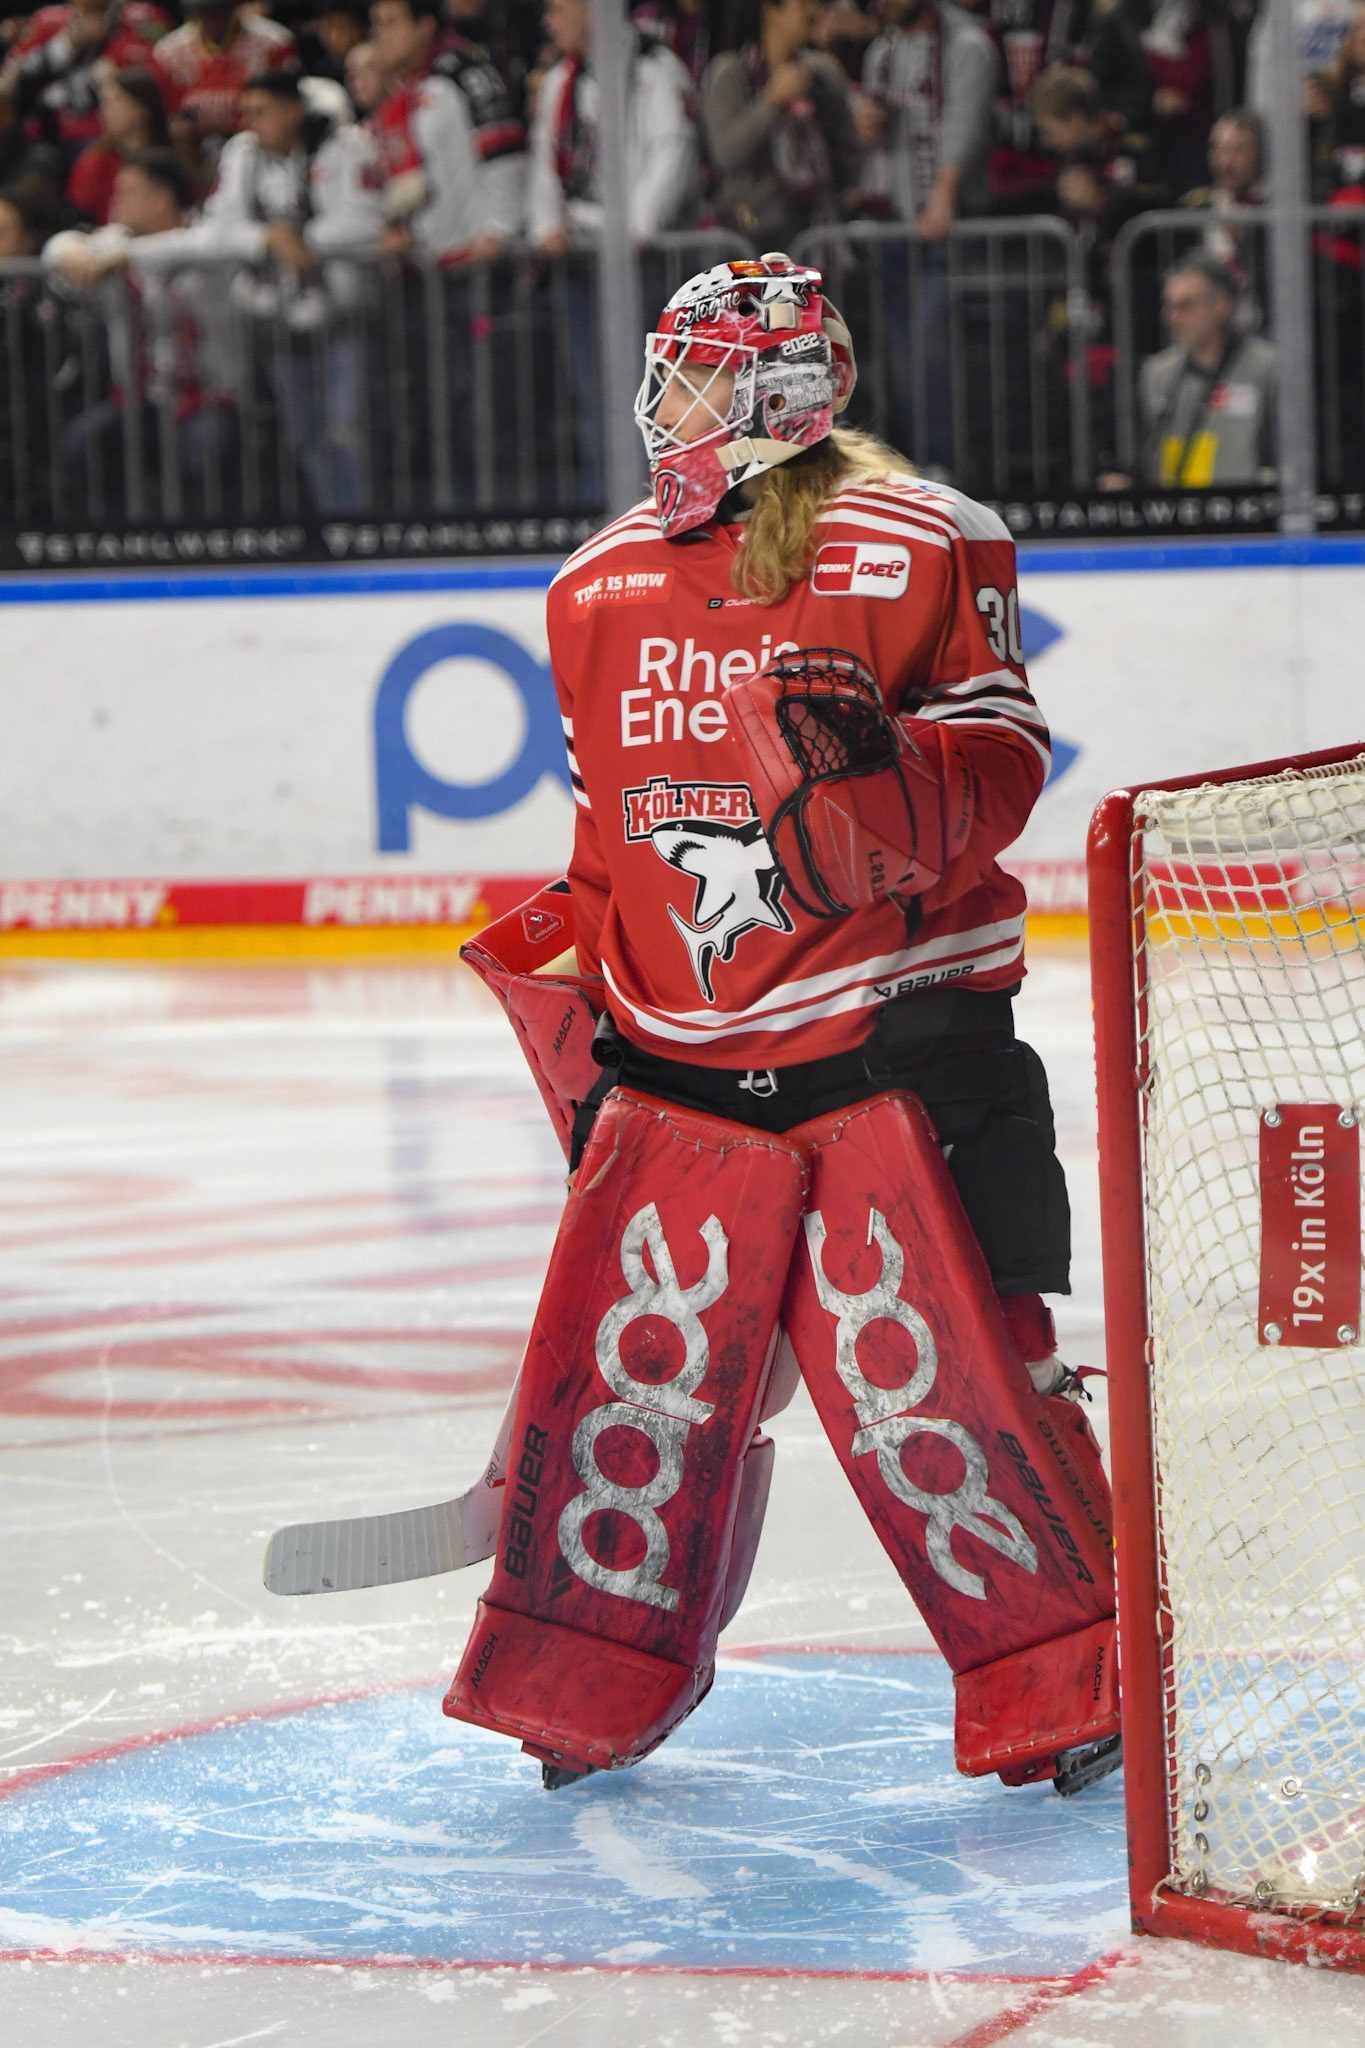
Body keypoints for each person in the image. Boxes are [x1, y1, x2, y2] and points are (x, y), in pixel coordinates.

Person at [443, 252, 1121, 1803]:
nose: (663, 408)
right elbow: (606, 842)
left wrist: (891, 781)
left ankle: (1071, 1676)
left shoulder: (923, 541)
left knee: (960, 1379)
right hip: (676, 1065)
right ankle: (587, 1676)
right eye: (667, 373)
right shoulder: (592, 585)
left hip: (900, 1043)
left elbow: (1000, 771)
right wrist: (591, 1025)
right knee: (642, 1389)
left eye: (695, 378)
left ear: (781, 397)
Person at [45, 146, 242, 514]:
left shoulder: (204, 239)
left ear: (160, 200)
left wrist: (128, 257)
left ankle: (199, 540)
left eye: (127, 192)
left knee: (206, 447)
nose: (116, 201)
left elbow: (205, 244)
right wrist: (70, 251)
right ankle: (121, 537)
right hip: (141, 400)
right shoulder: (117, 242)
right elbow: (56, 248)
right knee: (82, 442)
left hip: (208, 397)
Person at [856, 0, 997, 472]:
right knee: (900, 361)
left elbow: (964, 124)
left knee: (933, 353)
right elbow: (877, 137)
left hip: (950, 228)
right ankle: (916, 468)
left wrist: (944, 195)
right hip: (896, 230)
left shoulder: (966, 44)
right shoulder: (882, 51)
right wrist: (868, 124)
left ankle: (947, 467)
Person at [527, 0, 699, 251]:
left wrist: (640, 224)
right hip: (578, 249)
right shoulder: (558, 81)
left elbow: (673, 152)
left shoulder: (656, 68)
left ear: (590, 14)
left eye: (557, 10)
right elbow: (545, 162)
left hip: (649, 251)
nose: (548, 22)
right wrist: (547, 226)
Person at [701, 0, 861, 248]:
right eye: (802, 4)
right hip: (751, 235)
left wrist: (845, 194)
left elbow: (847, 146)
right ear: (771, 12)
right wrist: (770, 102)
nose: (814, 10)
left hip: (819, 234)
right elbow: (725, 153)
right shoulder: (731, 73)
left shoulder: (823, 72)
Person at [1137, 251, 1275, 484]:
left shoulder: (1267, 367)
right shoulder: (1156, 373)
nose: (1173, 317)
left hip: (1242, 502)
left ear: (1220, 306)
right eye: (1169, 306)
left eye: (1186, 306)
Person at [152, 0, 297, 158]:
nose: (213, 18)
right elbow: (169, 113)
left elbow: (285, 101)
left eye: (220, 10)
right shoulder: (168, 51)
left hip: (254, 138)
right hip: (195, 146)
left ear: (234, 7)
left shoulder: (275, 42)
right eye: (204, 12)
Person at [66, 63, 170, 226]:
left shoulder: (171, 160)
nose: (104, 111)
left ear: (141, 108)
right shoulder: (94, 163)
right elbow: (80, 218)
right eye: (104, 103)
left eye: (116, 100)